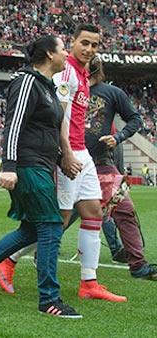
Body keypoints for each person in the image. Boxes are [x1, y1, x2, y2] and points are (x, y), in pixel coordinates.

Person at [0, 24, 127, 302]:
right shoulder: (65, 71)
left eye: (94, 45)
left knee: (93, 212)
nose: (89, 49)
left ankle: (89, 282)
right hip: (69, 152)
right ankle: (9, 258)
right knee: (60, 219)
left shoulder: (83, 73)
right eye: (84, 43)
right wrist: (65, 154)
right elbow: (60, 117)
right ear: (73, 42)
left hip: (83, 153)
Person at [0, 35, 82, 318]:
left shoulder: (46, 86)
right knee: (52, 226)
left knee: (31, 229)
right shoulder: (27, 82)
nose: (66, 54)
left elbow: (45, 131)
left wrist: (59, 158)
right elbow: (13, 126)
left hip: (40, 165)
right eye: (63, 49)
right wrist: (10, 167)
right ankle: (49, 299)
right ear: (50, 54)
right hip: (28, 166)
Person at [83, 56, 155, 280]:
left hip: (103, 164)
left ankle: (138, 265)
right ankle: (37, 256)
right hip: (72, 165)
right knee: (60, 217)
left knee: (125, 210)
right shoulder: (69, 90)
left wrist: (119, 136)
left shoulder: (112, 93)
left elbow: (135, 119)